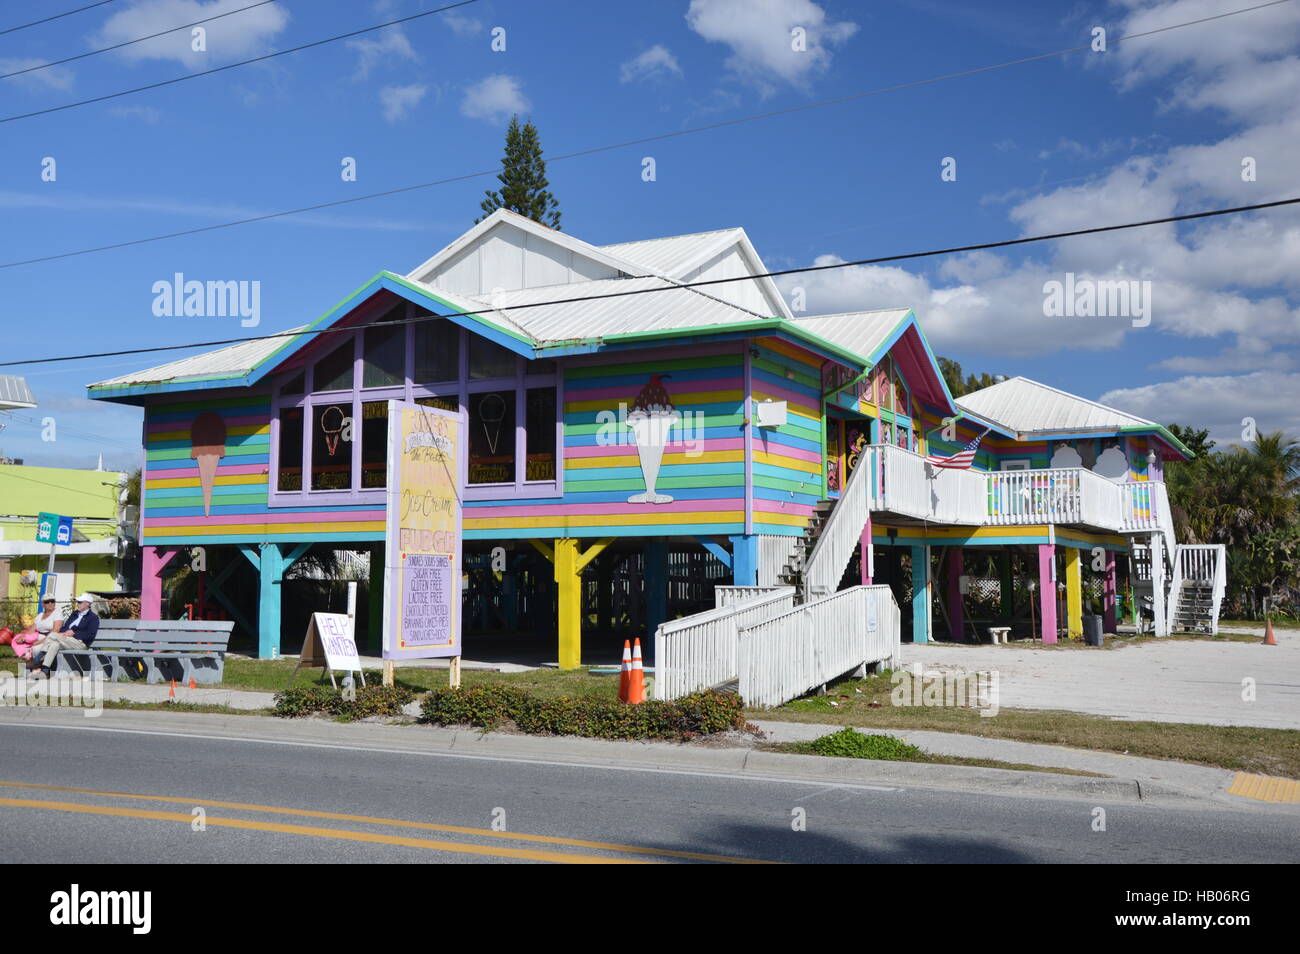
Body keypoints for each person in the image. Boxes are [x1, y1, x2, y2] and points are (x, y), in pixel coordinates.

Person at [26, 593, 100, 678]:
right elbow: (65, 627)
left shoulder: (93, 618)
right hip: (66, 640)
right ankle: (44, 671)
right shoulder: (75, 614)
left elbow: (90, 635)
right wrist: (63, 633)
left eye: (80, 602)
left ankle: (36, 660)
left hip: (80, 643)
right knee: (54, 645)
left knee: (53, 635)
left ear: (87, 603)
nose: (77, 604)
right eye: (77, 602)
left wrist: (74, 633)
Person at [11, 596, 60, 661]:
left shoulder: (57, 614)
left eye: (52, 601)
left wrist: (39, 642)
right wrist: (22, 637)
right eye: (47, 602)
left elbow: (55, 631)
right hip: (37, 636)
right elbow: (32, 630)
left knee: (35, 648)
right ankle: (24, 655)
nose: (50, 603)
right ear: (43, 604)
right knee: (16, 639)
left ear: (55, 603)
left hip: (48, 637)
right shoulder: (40, 615)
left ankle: (36, 666)